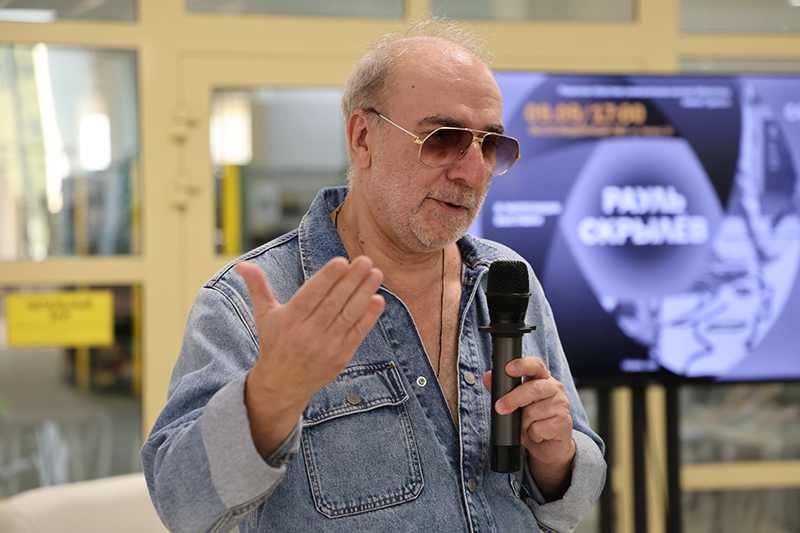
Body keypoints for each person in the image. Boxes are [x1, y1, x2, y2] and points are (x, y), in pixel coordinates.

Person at [142, 17, 606, 533]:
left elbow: (572, 496)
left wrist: (556, 459)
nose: (473, 172)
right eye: (443, 139)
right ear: (363, 138)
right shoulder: (250, 302)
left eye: (490, 144)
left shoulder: (506, 280)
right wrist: (269, 397)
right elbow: (181, 504)